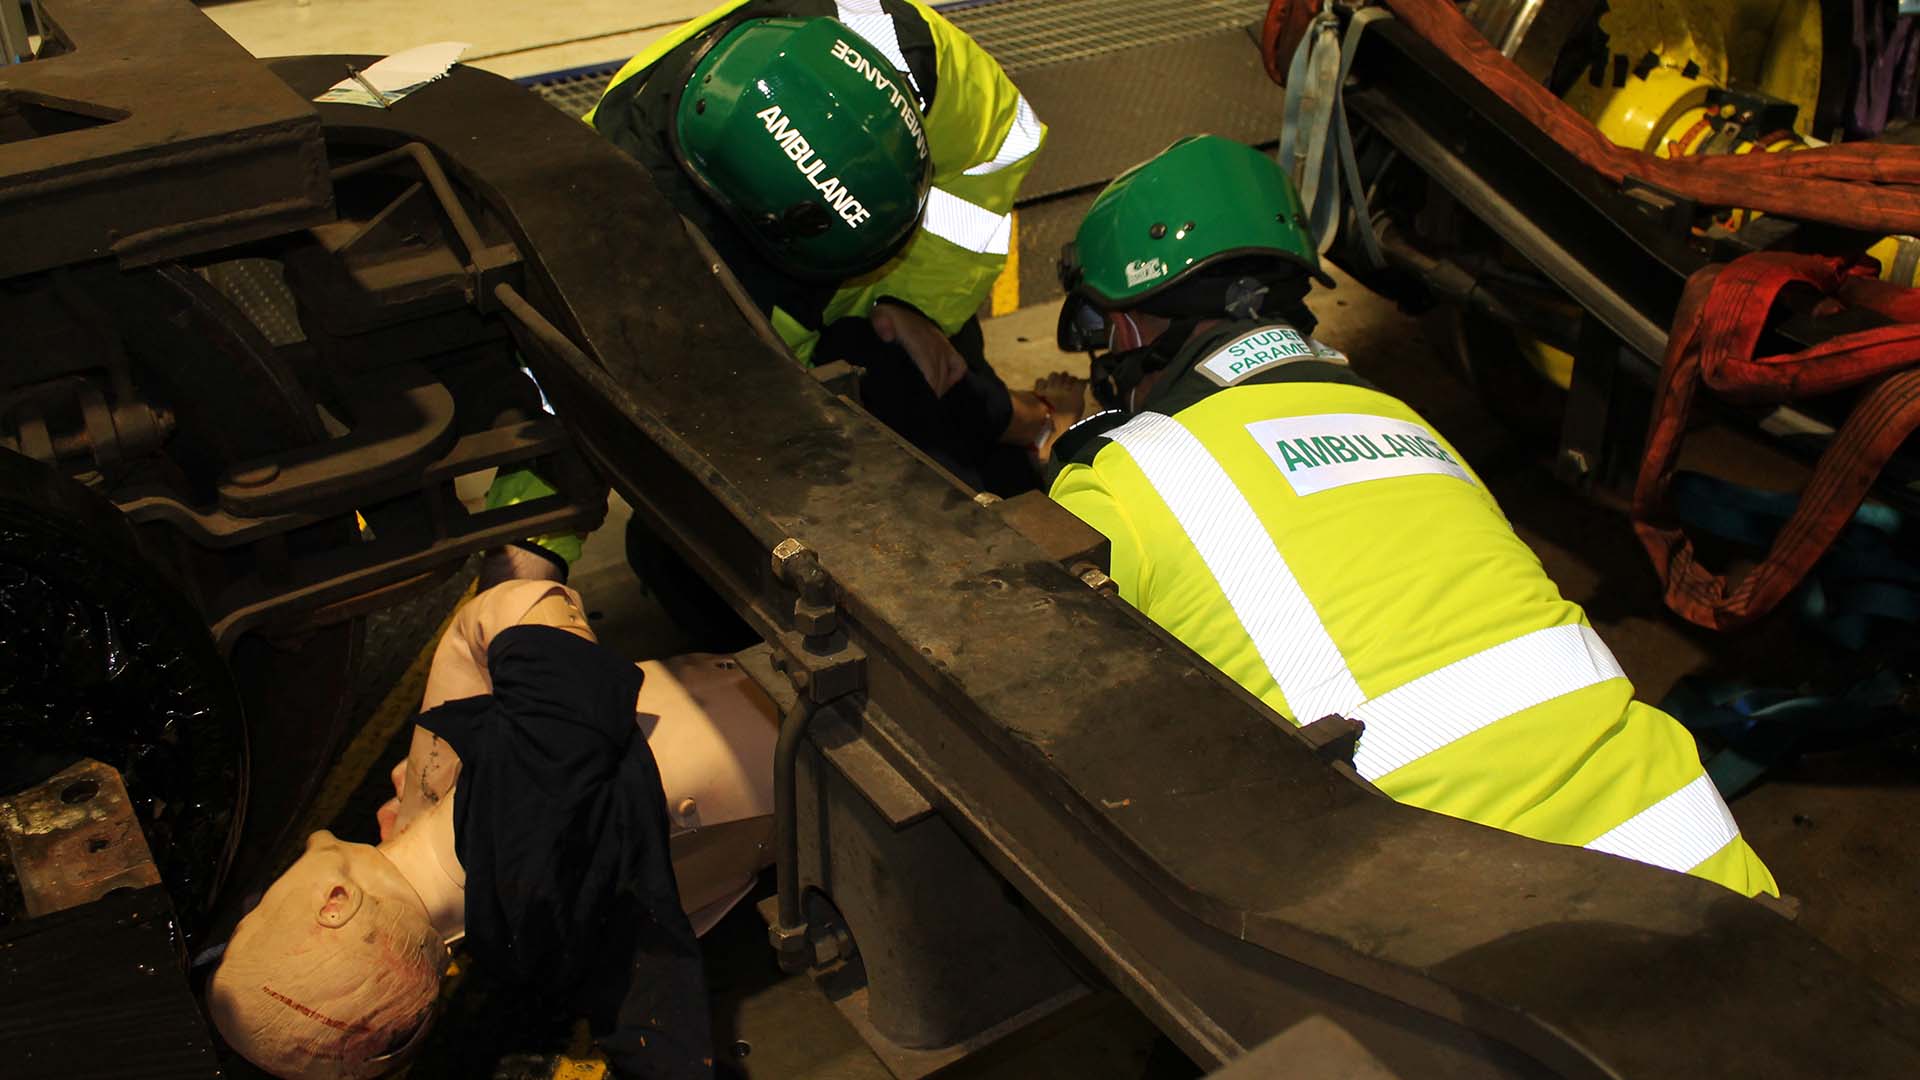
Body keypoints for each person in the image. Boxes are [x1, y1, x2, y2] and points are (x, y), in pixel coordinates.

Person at [1042, 134, 1778, 898]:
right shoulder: (1413, 428)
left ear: (1127, 329)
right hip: (1717, 879)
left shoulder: (1122, 477)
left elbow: (1055, 707)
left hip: (1465, 944)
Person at [207, 551, 779, 1078]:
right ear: (335, 904)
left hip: (773, 827)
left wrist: (433, 791)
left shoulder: (513, 945)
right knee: (660, 549)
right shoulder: (526, 778)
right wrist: (447, 723)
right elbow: (525, 607)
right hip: (794, 701)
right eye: (257, 919)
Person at [586, 0, 1066, 494]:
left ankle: (1024, 425)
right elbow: (591, 380)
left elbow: (1001, 142)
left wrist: (913, 305)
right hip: (762, 340)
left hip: (907, 277)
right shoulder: (623, 210)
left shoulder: (901, 48)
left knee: (924, 384)